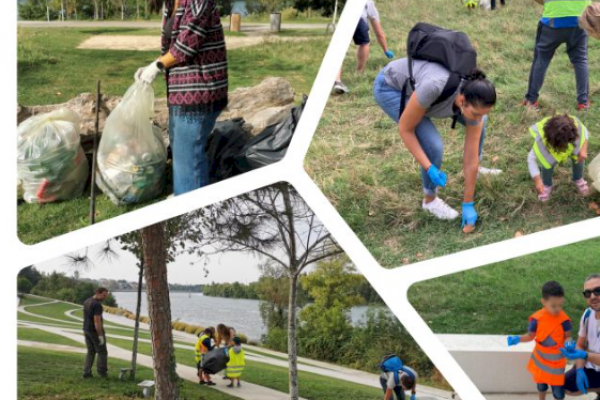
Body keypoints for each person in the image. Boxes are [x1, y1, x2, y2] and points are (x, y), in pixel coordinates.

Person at [373, 59, 498, 229]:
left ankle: (477, 171)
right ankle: (430, 200)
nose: (477, 118)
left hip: (423, 91)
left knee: (480, 126)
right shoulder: (434, 86)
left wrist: (468, 204)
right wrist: (429, 167)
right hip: (391, 87)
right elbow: (405, 130)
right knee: (433, 146)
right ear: (462, 101)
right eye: (475, 113)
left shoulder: (471, 94)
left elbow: (470, 157)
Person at [135, 0, 228, 196]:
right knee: (182, 153)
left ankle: (188, 203)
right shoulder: (171, 3)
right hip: (180, 93)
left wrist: (156, 66)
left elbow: (186, 45)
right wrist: (154, 64)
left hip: (199, 94)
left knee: (188, 159)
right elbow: (171, 45)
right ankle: (184, 195)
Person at [507, 281, 572, 400]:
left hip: (557, 365)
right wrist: (518, 339)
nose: (558, 309)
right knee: (541, 386)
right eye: (553, 305)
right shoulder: (537, 319)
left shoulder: (564, 320)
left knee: (558, 392)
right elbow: (530, 336)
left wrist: (568, 342)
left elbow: (568, 335)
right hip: (540, 362)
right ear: (543, 302)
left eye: (560, 305)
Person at [523, 0, 591, 111]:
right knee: (580, 60)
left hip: (552, 20)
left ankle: (531, 101)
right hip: (581, 19)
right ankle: (583, 102)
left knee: (541, 60)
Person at [333, 0, 393, 94]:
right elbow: (379, 33)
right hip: (358, 19)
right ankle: (359, 71)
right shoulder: (369, 3)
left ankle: (337, 80)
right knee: (365, 43)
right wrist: (386, 50)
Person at [527, 114, 590, 202]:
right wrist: (537, 180)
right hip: (551, 151)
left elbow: (584, 132)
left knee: (578, 158)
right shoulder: (541, 141)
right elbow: (531, 159)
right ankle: (546, 185)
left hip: (572, 146)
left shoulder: (574, 126)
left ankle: (578, 179)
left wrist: (583, 149)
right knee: (546, 163)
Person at [556, 274, 600, 397]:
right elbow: (580, 344)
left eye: (598, 291)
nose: (593, 297)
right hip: (591, 366)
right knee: (564, 385)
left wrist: (584, 355)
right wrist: (580, 369)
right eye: (588, 293)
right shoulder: (587, 314)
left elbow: (582, 351)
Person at [82, 287, 109, 379]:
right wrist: (100, 335)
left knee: (90, 351)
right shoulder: (97, 305)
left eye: (106, 295)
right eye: (103, 295)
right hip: (94, 331)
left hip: (86, 329)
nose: (105, 297)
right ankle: (102, 373)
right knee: (102, 352)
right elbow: (97, 321)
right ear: (97, 293)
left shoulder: (87, 301)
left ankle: (87, 372)